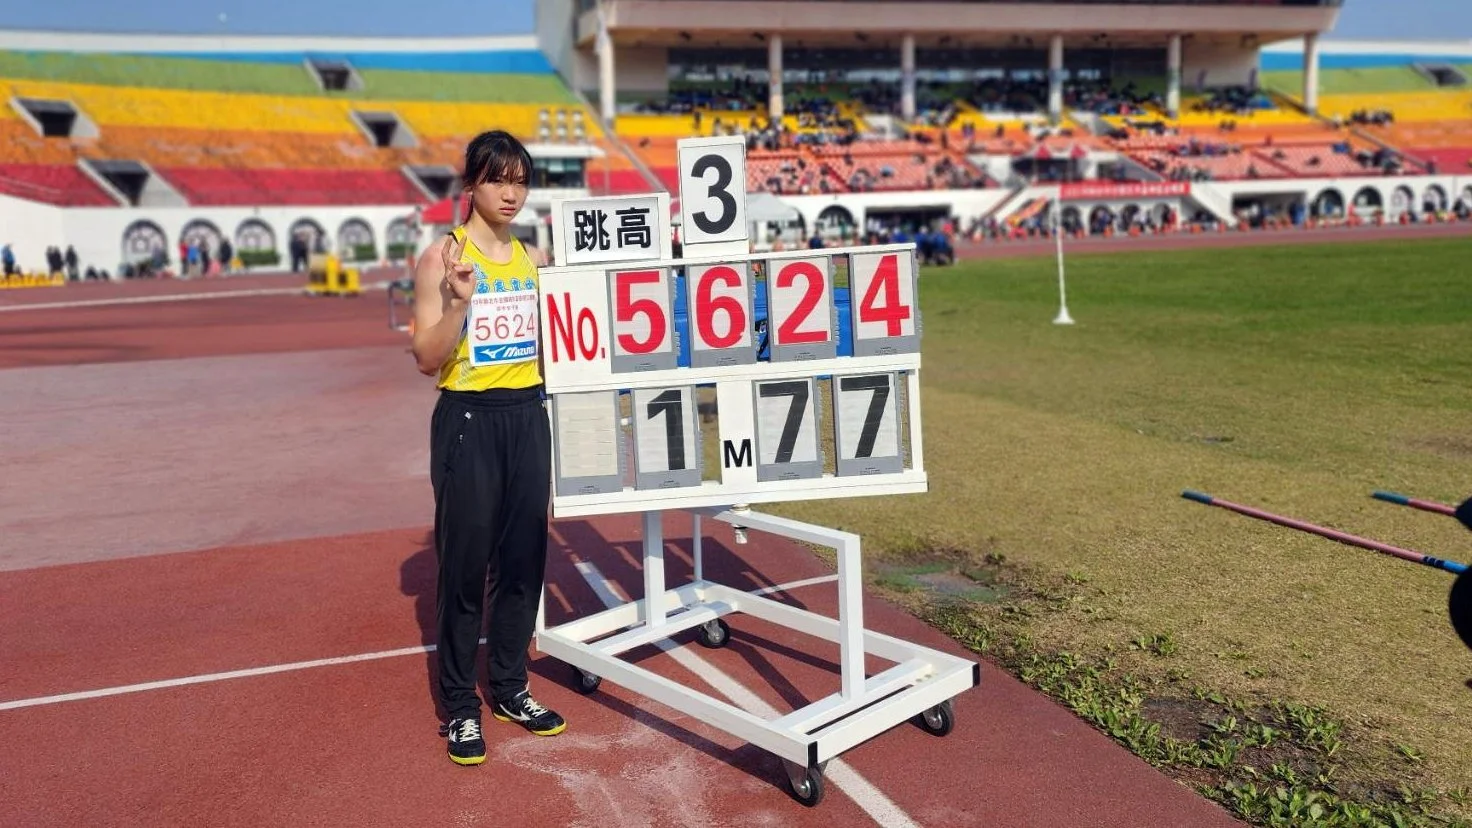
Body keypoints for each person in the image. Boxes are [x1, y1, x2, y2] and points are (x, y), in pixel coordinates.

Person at [410, 129, 564, 767]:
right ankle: (459, 707)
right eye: (499, 178)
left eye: (521, 180)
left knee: (525, 563)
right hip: (469, 420)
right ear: (471, 184)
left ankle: (508, 688)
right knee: (466, 569)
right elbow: (425, 357)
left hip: (527, 415)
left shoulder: (529, 256)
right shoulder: (442, 257)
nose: (512, 192)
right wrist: (460, 307)